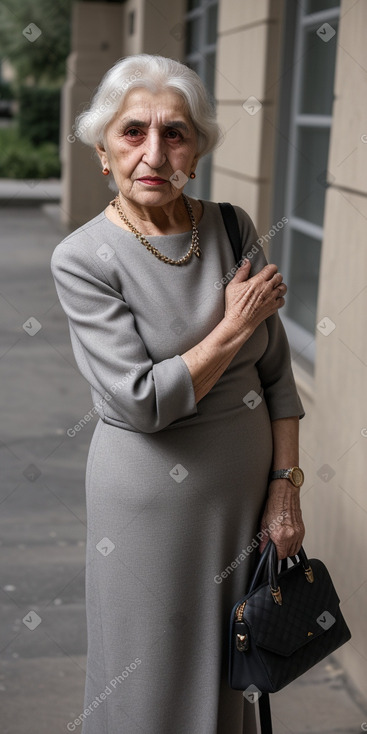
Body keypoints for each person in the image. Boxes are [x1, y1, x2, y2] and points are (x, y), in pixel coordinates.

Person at [51, 54, 305, 734]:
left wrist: (284, 487)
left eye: (176, 133)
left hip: (244, 500)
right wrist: (233, 325)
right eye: (133, 132)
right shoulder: (82, 258)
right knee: (149, 681)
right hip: (148, 512)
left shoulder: (229, 227)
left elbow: (277, 374)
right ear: (103, 147)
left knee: (233, 673)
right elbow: (141, 401)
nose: (154, 153)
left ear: (197, 146)